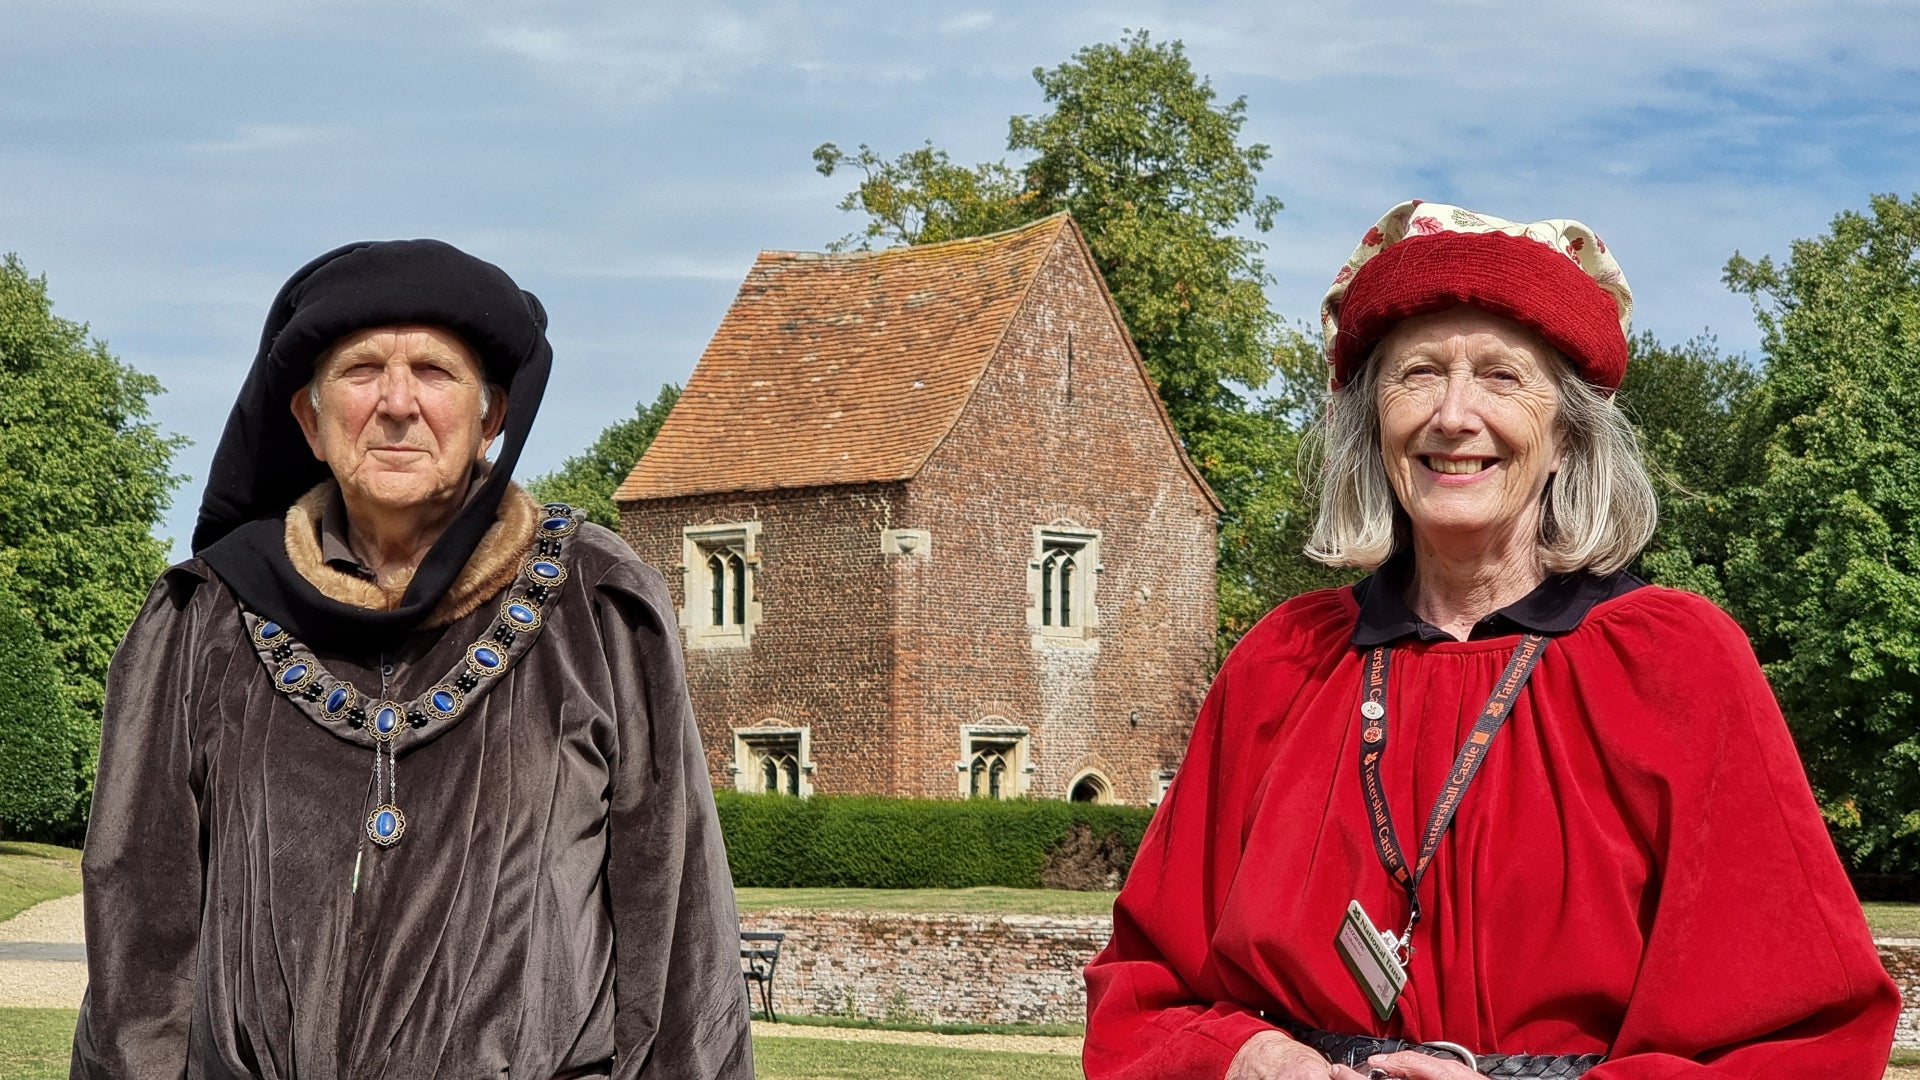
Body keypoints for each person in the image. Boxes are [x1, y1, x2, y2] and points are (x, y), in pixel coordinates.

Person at [1082, 201, 1900, 1079]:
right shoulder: (1286, 664)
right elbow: (1144, 993)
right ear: (1371, 423)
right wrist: (1245, 1059)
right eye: (1419, 374)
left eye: (1502, 377)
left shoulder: (1675, 663)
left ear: (1567, 437)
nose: (1454, 416)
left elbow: (1804, 1042)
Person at [72, 240, 752, 1079]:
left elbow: (679, 934)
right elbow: (140, 931)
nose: (397, 404)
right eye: (361, 371)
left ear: (491, 417)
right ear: (310, 422)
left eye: (434, 371)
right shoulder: (204, 614)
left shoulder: (599, 603)